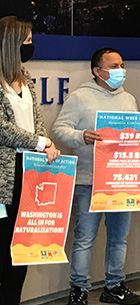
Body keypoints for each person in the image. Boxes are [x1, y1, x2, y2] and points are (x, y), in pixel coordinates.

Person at [53, 47, 140, 305]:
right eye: (114, 66)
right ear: (97, 71)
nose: (120, 71)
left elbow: (134, 138)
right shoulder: (80, 98)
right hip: (89, 180)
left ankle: (114, 286)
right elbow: (59, 130)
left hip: (122, 180)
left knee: (119, 237)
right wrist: (81, 136)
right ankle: (79, 290)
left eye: (121, 65)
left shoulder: (129, 100)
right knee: (84, 238)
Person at [0, 15, 61, 305]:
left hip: (30, 175)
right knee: (1, 250)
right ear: (10, 43)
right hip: (3, 181)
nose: (31, 45)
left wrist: (45, 144)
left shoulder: (27, 79)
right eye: (26, 41)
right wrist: (40, 142)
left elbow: (37, 121)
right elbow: (2, 129)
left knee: (20, 251)